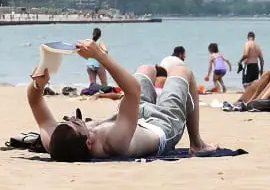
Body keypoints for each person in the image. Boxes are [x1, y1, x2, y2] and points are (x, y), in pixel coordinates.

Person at [26, 39, 215, 162]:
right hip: (162, 124)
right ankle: (197, 143)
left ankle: (161, 82)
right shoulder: (112, 142)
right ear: (89, 144)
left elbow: (34, 101)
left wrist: (39, 82)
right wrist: (100, 56)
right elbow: (133, 90)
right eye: (78, 125)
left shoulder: (57, 141)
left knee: (146, 68)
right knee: (182, 71)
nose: (75, 120)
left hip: (134, 115)